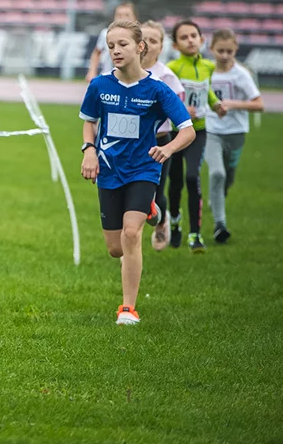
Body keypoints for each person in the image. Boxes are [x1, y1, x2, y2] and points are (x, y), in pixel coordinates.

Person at [80, 20, 195, 325]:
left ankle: (128, 309)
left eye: (123, 45)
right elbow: (89, 121)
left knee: (132, 235)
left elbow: (187, 130)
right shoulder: (100, 85)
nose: (116, 51)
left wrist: (167, 150)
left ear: (140, 47)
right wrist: (88, 150)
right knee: (115, 249)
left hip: (144, 170)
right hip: (108, 170)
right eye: (111, 46)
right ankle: (154, 212)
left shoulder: (158, 89)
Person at [166, 20, 227, 253]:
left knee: (192, 178)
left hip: (198, 131)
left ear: (202, 40)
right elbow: (166, 98)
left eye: (194, 35)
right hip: (175, 131)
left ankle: (195, 234)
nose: (190, 40)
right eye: (184, 37)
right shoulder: (173, 67)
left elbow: (206, 90)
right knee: (176, 181)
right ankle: (174, 222)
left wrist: (216, 104)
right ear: (175, 44)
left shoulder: (208, 67)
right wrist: (181, 109)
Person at [204, 29, 264, 244]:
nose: (225, 55)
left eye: (229, 51)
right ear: (211, 50)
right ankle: (220, 225)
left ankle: (217, 196)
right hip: (210, 131)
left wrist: (234, 104)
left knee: (227, 177)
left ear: (235, 50)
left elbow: (259, 104)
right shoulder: (205, 70)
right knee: (217, 173)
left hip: (236, 132)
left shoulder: (241, 74)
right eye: (220, 50)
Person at [140, 20, 185, 251]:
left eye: (154, 40)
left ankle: (162, 222)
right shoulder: (121, 72)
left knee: (157, 193)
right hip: (131, 144)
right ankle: (129, 240)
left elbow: (180, 114)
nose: (148, 44)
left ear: (161, 47)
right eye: (144, 38)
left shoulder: (167, 77)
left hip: (159, 143)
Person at [85, 2, 138, 82]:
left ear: (134, 17)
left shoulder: (139, 36)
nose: (122, 18)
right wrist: (92, 71)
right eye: (119, 15)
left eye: (127, 15)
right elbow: (97, 53)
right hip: (108, 78)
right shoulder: (105, 34)